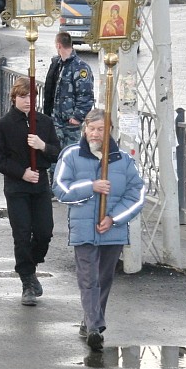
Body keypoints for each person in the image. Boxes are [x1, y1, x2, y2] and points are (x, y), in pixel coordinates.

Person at [52, 109, 145, 352]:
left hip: (111, 230)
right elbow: (61, 189)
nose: (95, 133)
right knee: (88, 278)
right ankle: (95, 326)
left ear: (109, 131)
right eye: (92, 129)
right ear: (85, 129)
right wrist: (90, 186)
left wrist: (114, 218)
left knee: (104, 278)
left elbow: (136, 194)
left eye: (101, 129)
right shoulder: (71, 155)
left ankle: (91, 319)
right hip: (83, 229)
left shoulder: (123, 160)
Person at [0, 77, 61, 306]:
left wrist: (43, 146)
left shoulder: (45, 123)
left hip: (40, 185)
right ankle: (27, 279)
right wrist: (21, 172)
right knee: (21, 233)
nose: (27, 101)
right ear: (14, 98)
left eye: (30, 96)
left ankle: (33, 262)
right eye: (22, 97)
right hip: (17, 186)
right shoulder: (3, 125)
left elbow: (57, 152)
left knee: (44, 231)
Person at [41, 32, 94, 149]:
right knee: (54, 155)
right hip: (56, 120)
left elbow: (86, 95)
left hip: (70, 123)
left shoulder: (80, 67)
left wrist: (77, 117)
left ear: (58, 45)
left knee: (70, 154)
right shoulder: (58, 64)